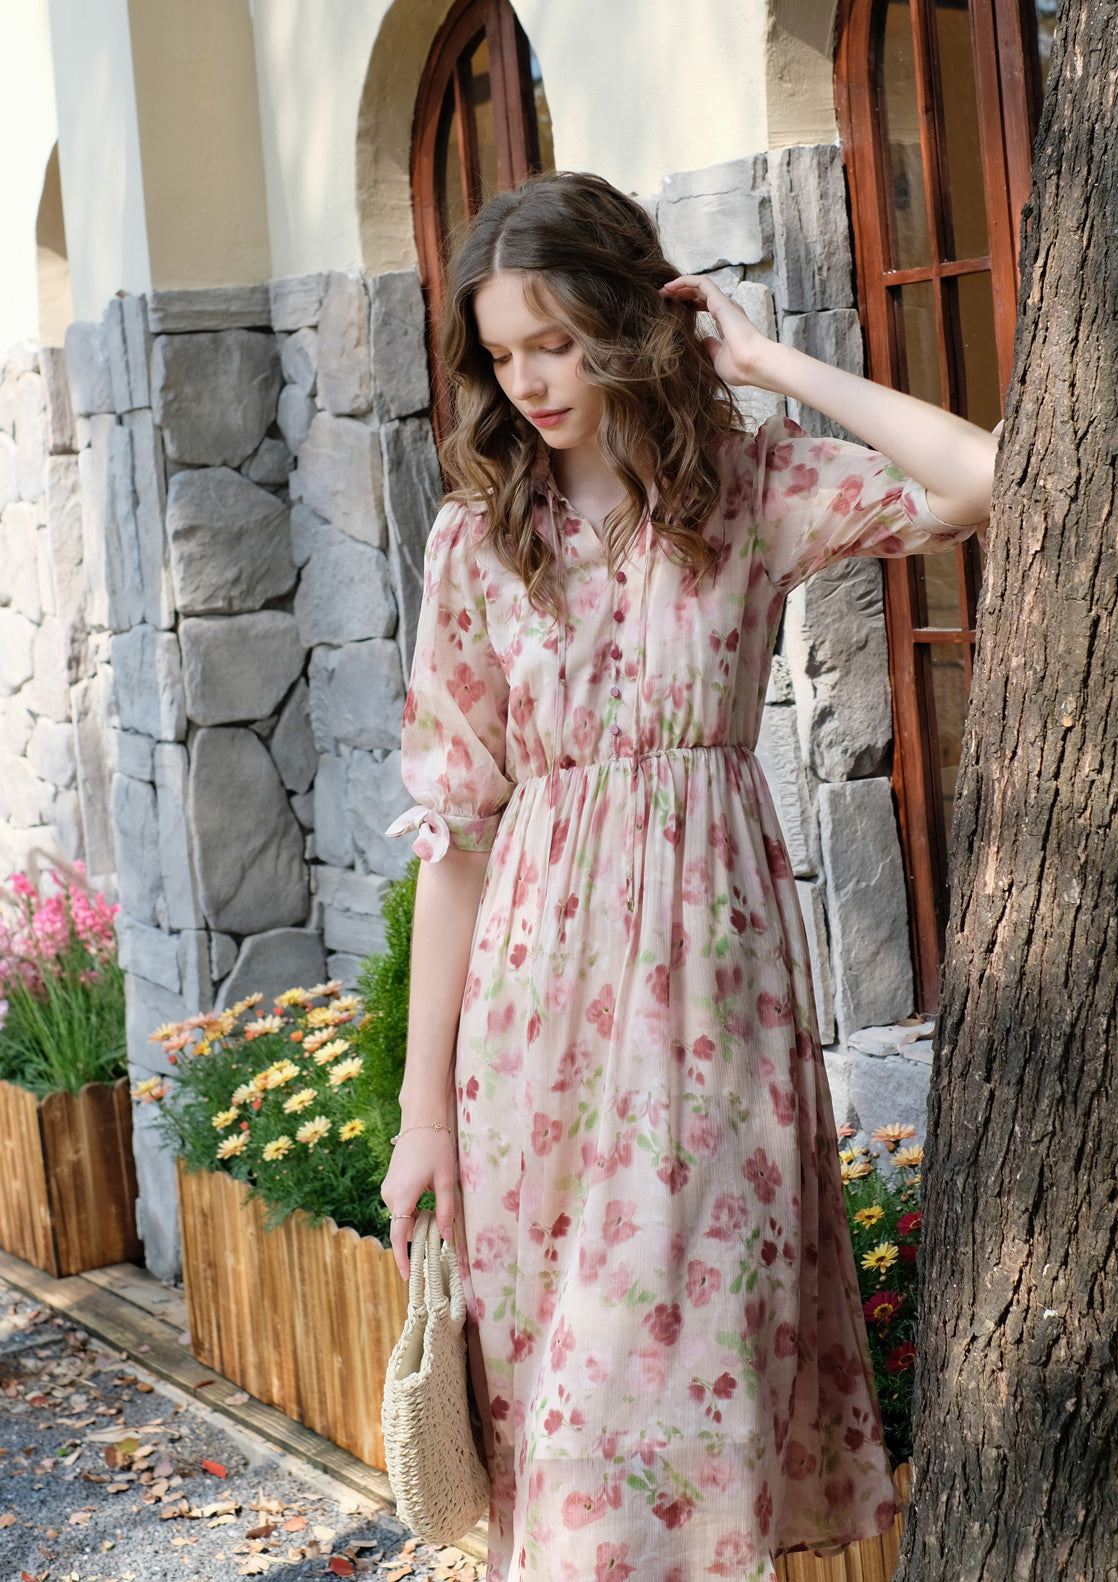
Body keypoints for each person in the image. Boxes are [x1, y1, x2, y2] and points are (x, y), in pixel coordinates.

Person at [382, 171, 995, 1582]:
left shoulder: (748, 490)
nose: (529, 379)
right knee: (564, 1436)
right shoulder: (478, 541)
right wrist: (424, 1114)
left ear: (624, 319)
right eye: (502, 352)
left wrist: (767, 358)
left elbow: (982, 474)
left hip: (712, 1031)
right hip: (532, 1047)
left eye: (556, 339)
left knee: (672, 1433)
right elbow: (457, 844)